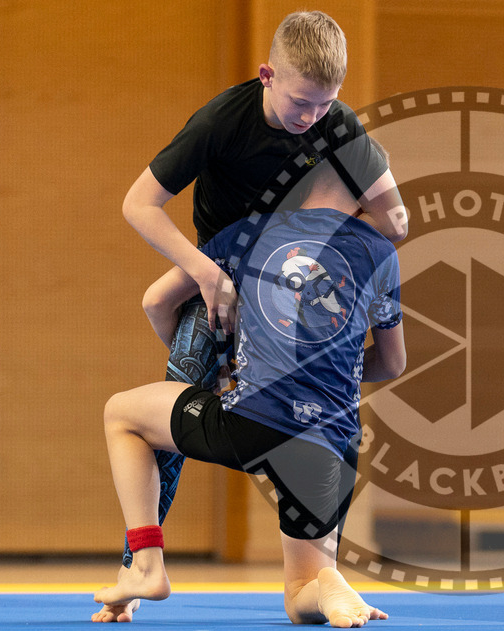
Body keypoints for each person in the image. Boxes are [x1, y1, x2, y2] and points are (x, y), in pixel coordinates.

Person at [113, 9, 407, 600]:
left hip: (278, 273)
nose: (312, 119)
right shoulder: (224, 120)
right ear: (267, 74)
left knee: (317, 396)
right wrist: (205, 271)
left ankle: (316, 569)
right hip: (218, 270)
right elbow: (139, 204)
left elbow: (395, 221)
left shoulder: (338, 126)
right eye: (302, 103)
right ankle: (140, 565)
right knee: (177, 392)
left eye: (326, 105)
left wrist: (310, 242)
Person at [93, 144, 406, 627]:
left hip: (253, 422)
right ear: (368, 192)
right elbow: (392, 362)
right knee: (301, 594)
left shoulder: (244, 234)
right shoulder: (381, 253)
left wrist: (220, 361)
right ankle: (327, 584)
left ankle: (146, 564)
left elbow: (157, 302)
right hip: (336, 443)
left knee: (122, 414)